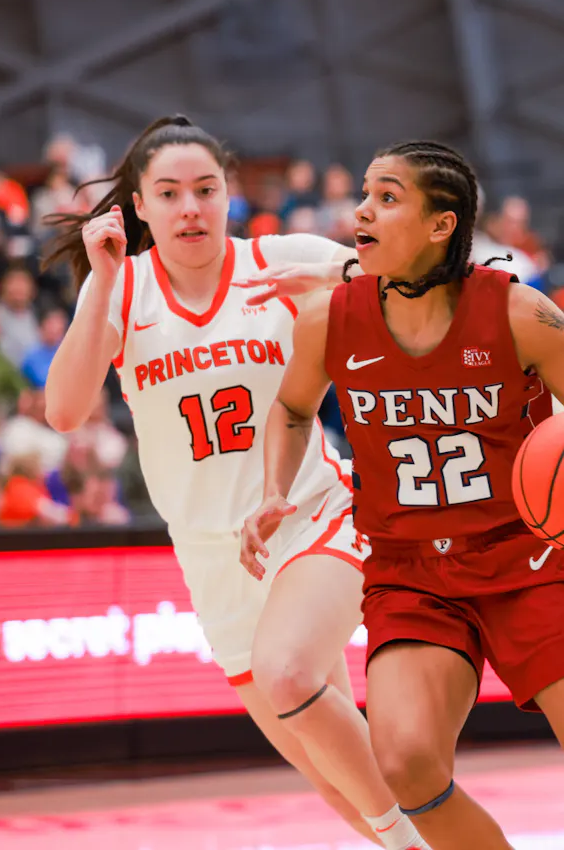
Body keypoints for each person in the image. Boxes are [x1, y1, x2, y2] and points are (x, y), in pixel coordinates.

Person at [241, 140, 564, 850]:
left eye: (387, 197)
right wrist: (273, 489)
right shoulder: (330, 318)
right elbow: (293, 409)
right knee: (407, 767)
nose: (361, 208)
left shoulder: (521, 315)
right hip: (410, 574)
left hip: (526, 563)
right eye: (364, 192)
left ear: (440, 224)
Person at [41, 116, 426, 850]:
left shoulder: (280, 261)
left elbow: (423, 284)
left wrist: (344, 278)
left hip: (311, 512)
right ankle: (427, 834)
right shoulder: (124, 294)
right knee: (335, 781)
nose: (191, 207)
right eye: (170, 193)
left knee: (290, 676)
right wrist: (101, 280)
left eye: (206, 190)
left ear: (229, 196)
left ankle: (431, 841)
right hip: (212, 558)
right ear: (140, 207)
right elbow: (62, 410)